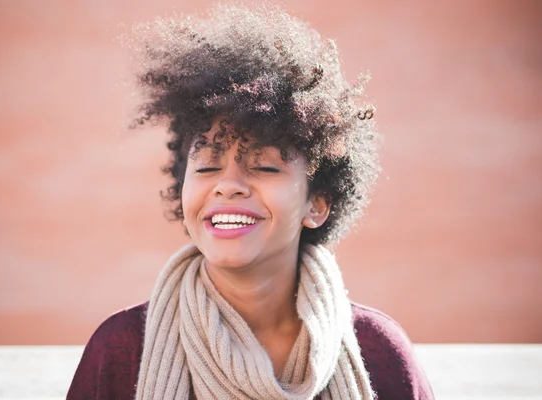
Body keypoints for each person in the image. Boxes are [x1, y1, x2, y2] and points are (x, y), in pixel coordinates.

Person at [67, 3, 434, 399]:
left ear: (317, 205)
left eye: (263, 166)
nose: (228, 186)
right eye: (207, 167)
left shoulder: (379, 352)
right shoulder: (123, 350)